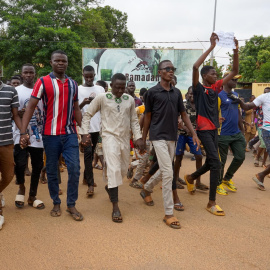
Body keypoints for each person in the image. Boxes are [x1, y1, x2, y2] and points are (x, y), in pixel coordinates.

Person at [20, 50, 83, 221]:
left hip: (70, 133)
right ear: (51, 62)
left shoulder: (73, 84)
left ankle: (71, 204)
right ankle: (56, 202)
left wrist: (83, 131)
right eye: (57, 61)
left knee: (75, 169)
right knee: (53, 170)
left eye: (64, 61)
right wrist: (23, 132)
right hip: (50, 134)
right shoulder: (42, 82)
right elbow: (31, 107)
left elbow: (76, 108)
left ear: (67, 63)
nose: (61, 63)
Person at [184, 33, 239, 216]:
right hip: (203, 130)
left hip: (215, 129)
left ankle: (191, 177)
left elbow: (234, 71)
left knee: (212, 162)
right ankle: (211, 202)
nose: (216, 75)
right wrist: (211, 47)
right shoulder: (199, 89)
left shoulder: (215, 87)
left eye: (216, 73)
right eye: (213, 73)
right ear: (204, 76)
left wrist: (236, 50)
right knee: (216, 163)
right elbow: (194, 66)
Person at [143, 60, 200, 229]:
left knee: (164, 170)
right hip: (157, 136)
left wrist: (194, 133)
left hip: (172, 137)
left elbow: (183, 114)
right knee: (168, 171)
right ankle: (169, 213)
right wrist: (144, 138)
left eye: (172, 69)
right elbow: (147, 116)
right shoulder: (152, 93)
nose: (171, 71)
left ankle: (146, 188)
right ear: (159, 72)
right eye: (167, 69)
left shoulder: (176, 93)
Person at [80, 73, 144, 223]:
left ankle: (110, 187)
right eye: (117, 87)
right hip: (109, 138)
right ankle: (115, 206)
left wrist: (138, 137)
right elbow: (88, 114)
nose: (120, 91)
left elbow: (134, 120)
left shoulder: (129, 100)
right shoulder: (102, 97)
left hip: (124, 139)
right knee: (114, 169)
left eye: (123, 88)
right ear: (112, 84)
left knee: (122, 170)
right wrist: (84, 133)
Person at [13, 64, 45, 210]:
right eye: (25, 72)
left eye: (31, 72)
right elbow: (13, 114)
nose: (28, 75)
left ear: (34, 74)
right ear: (21, 74)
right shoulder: (16, 91)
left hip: (38, 135)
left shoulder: (42, 90)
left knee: (37, 166)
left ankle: (33, 195)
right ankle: (21, 187)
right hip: (20, 134)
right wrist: (22, 131)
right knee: (20, 164)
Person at [230, 88, 270, 190]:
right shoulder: (264, 97)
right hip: (267, 130)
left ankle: (261, 175)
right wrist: (239, 101)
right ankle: (261, 173)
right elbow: (248, 107)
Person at [217, 72, 246, 196]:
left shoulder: (235, 94)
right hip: (223, 133)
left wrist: (242, 128)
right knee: (221, 161)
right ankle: (218, 184)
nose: (235, 82)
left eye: (236, 80)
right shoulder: (219, 96)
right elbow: (213, 112)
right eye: (233, 79)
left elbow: (238, 112)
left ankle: (227, 178)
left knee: (240, 156)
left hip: (236, 132)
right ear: (226, 80)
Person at [173, 86, 206, 191]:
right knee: (178, 157)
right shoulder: (182, 105)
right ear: (187, 94)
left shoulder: (200, 106)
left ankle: (198, 181)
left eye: (194, 94)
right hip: (181, 135)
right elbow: (177, 118)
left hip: (193, 136)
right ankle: (176, 179)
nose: (192, 96)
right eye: (190, 93)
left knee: (199, 156)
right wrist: (184, 127)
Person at [78, 65, 105, 196]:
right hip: (85, 127)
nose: (89, 78)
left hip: (97, 127)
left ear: (95, 75)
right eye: (86, 76)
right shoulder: (78, 89)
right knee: (88, 155)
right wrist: (84, 103)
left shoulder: (100, 89)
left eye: (91, 76)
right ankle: (90, 184)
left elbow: (105, 105)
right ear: (83, 75)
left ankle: (85, 178)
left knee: (92, 152)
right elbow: (75, 108)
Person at [0, 80, 21, 230]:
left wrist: (24, 132)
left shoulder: (10, 91)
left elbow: (15, 116)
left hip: (6, 142)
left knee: (8, 176)